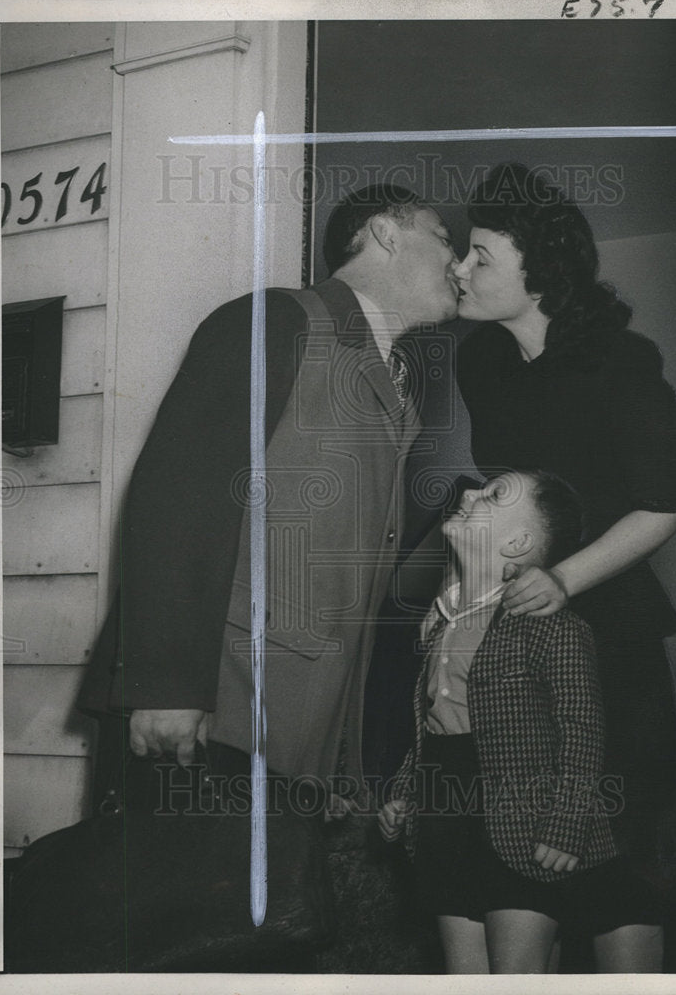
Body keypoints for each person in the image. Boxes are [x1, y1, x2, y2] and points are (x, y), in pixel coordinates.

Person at [78, 183, 460, 803]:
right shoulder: (277, 321)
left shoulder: (395, 384)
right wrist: (168, 686)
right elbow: (178, 495)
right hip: (213, 714)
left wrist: (340, 753)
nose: (457, 258)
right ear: (387, 232)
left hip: (296, 734)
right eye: (443, 237)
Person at [452, 162, 676, 968]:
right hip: (519, 649)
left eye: (480, 256)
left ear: (540, 270)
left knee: (621, 880)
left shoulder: (624, 361)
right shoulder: (479, 364)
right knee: (524, 876)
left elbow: (661, 506)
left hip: (613, 646)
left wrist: (563, 582)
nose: (460, 269)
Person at [379, 470, 654, 973]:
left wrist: (567, 824)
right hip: (445, 823)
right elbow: (430, 725)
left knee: (517, 977)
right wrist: (405, 791)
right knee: (466, 978)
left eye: (493, 495)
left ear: (518, 542)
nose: (468, 494)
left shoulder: (555, 628)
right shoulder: (439, 620)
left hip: (522, 826)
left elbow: (582, 733)